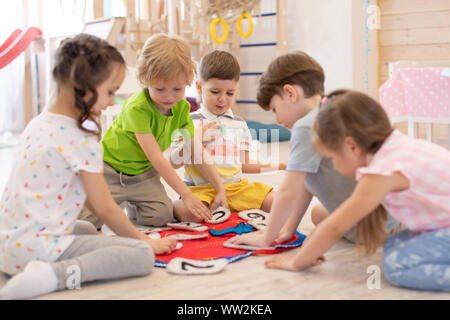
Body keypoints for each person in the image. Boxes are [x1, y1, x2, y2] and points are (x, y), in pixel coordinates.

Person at [0, 34, 178, 300]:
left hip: (9, 246)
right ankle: (54, 277)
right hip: (38, 250)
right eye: (110, 92)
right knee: (140, 256)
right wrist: (146, 242)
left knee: (84, 228)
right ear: (83, 87)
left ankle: (38, 266)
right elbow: (104, 208)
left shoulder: (37, 122)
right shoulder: (82, 136)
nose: (110, 102)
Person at [263, 89, 450, 292]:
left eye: (332, 158)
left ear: (352, 147)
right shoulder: (395, 145)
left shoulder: (382, 171)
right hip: (441, 227)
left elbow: (335, 226)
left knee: (395, 266)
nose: (333, 165)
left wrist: (297, 262)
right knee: (394, 245)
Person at [227, 51, 398, 252]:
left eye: (275, 109)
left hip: (372, 230)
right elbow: (306, 184)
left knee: (319, 214)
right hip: (389, 219)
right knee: (317, 213)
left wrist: (267, 237)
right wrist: (288, 228)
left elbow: (289, 191)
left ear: (290, 93)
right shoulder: (331, 109)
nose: (277, 120)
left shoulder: (305, 127)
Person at [79, 34, 228, 229]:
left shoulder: (182, 108)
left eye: (177, 88)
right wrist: (186, 194)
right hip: (109, 171)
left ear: (187, 81)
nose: (169, 97)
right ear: (145, 80)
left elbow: (195, 150)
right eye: (160, 89)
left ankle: (133, 202)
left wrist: (220, 189)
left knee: (161, 217)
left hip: (143, 174)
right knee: (87, 223)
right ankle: (113, 199)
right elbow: (157, 159)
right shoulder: (137, 108)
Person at [172, 50, 284, 221]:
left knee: (281, 203)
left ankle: (228, 208)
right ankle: (219, 209)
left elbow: (244, 165)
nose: (222, 100)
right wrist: (194, 139)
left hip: (237, 189)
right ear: (199, 87)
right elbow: (174, 163)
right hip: (201, 190)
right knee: (186, 212)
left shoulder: (240, 124)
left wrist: (279, 165)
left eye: (230, 93)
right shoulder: (188, 121)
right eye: (215, 92)